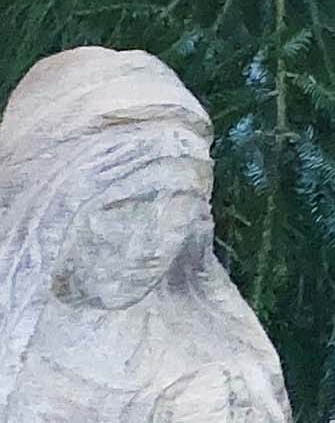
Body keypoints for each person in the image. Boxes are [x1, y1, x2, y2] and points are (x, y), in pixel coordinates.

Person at [0, 47, 289, 422]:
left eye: (179, 209)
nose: (151, 244)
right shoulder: (18, 367)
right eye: (122, 209)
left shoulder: (221, 361)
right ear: (47, 210)